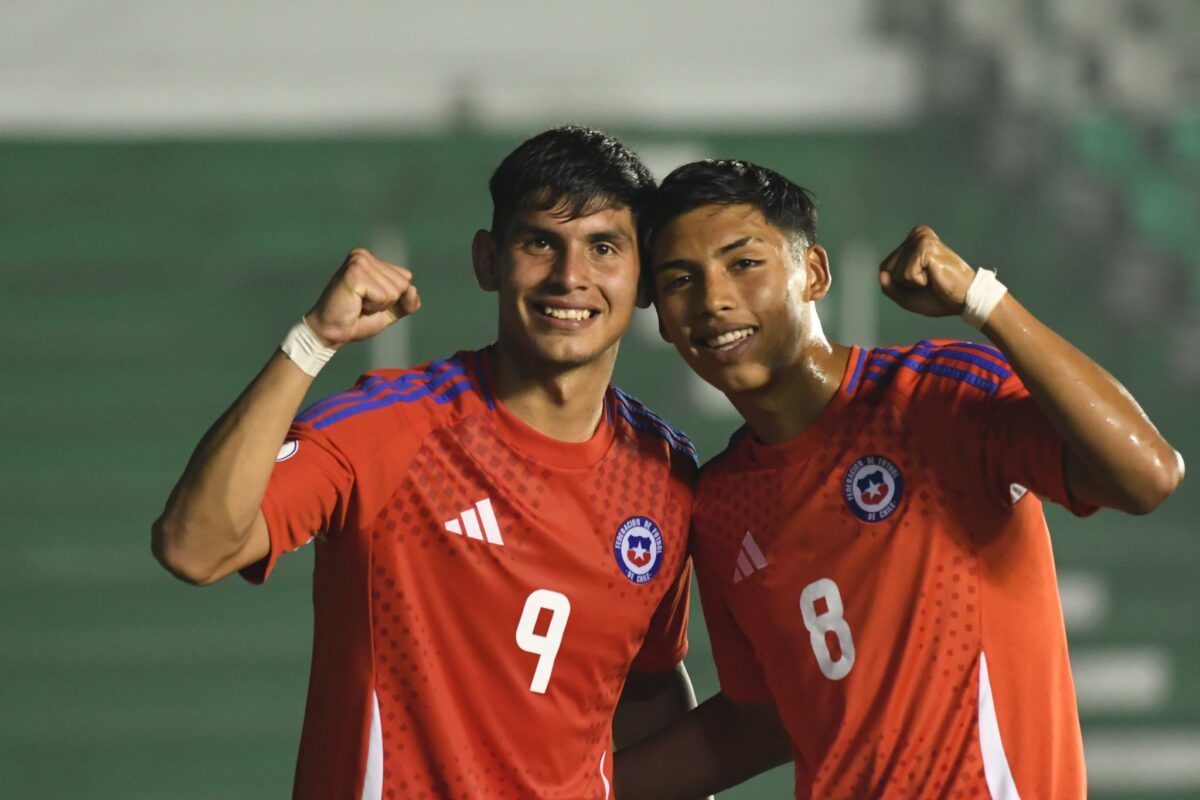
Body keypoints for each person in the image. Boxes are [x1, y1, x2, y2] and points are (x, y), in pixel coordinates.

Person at [152, 126, 703, 799]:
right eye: (539, 242)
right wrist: (311, 341)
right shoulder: (392, 427)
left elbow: (647, 690)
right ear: (487, 260)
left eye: (604, 248)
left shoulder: (664, 471)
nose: (570, 276)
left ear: (642, 279)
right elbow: (193, 547)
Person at [614, 159, 1185, 799]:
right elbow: (762, 718)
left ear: (814, 273)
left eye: (744, 263)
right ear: (663, 320)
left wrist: (983, 300)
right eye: (681, 280)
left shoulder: (933, 397)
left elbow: (1147, 475)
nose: (715, 299)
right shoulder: (717, 507)